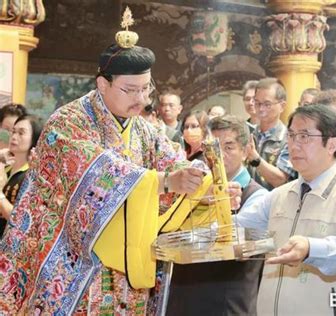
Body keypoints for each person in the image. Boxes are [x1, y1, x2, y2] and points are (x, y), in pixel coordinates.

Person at [0, 14, 205, 314]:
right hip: (72, 266)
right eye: (130, 90)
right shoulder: (68, 123)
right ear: (102, 84)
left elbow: (174, 161)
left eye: (146, 88)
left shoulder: (146, 131)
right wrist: (162, 181)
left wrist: (200, 181)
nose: (141, 99)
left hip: (126, 276)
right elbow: (98, 170)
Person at [236, 105, 336, 315]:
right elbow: (238, 230)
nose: (294, 145)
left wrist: (311, 249)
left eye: (304, 136)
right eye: (292, 135)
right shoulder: (278, 195)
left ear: (331, 144)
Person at [167, 115, 267, 316]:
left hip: (226, 306)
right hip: (182, 302)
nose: (219, 156)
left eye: (228, 147)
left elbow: (229, 241)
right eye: (213, 148)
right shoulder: (189, 188)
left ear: (246, 150)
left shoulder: (259, 197)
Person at [0, 115, 43, 237]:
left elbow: (20, 222)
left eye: (21, 133)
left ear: (33, 139)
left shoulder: (31, 177)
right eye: (13, 131)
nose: (14, 137)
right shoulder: (4, 168)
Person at [247, 78, 291, 190]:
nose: (261, 109)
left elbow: (281, 180)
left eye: (267, 104)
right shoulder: (248, 134)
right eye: (257, 103)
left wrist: (256, 160)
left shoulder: (290, 138)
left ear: (282, 106)